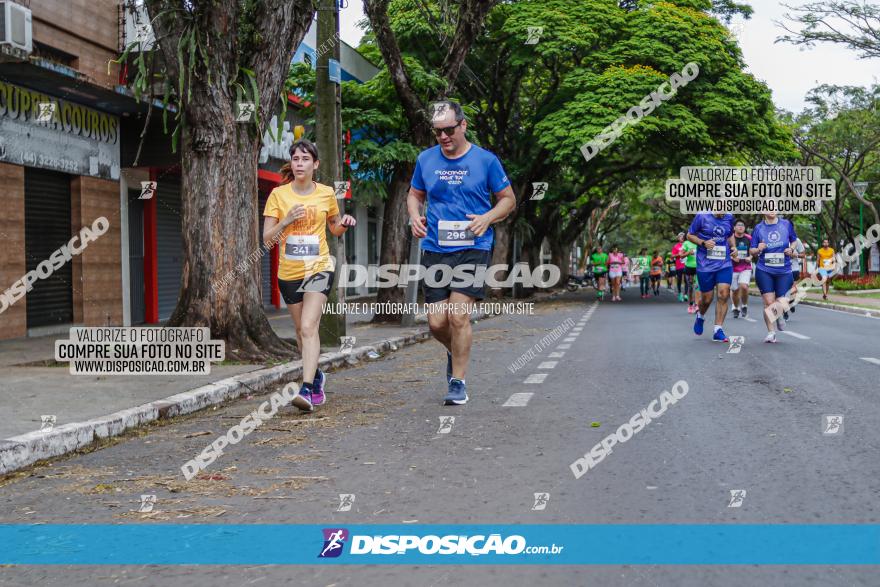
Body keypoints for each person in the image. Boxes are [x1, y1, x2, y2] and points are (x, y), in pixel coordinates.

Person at [408, 100, 516, 405]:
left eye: (449, 130)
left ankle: (458, 382)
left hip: (473, 246)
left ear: (463, 125)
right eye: (437, 131)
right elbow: (414, 195)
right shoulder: (425, 160)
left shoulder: (486, 160)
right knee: (436, 323)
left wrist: (488, 217)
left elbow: (508, 199)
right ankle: (454, 350)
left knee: (457, 316)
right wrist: (415, 216)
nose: (443, 136)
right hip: (435, 248)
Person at [262, 139, 357, 411]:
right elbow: (267, 239)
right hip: (289, 271)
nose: (299, 163)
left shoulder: (326, 193)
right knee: (301, 333)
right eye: (295, 158)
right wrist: (287, 220)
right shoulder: (278, 195)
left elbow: (335, 228)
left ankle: (306, 389)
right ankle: (316, 377)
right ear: (291, 164)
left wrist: (345, 223)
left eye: (305, 159)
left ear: (315, 164)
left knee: (308, 326)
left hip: (319, 267)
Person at [687, 212, 739, 342]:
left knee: (723, 294)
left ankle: (718, 329)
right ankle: (700, 315)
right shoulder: (702, 216)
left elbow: (730, 234)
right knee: (707, 299)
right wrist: (703, 242)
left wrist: (733, 247)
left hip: (724, 262)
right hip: (705, 264)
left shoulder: (729, 217)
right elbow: (689, 235)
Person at [750, 211, 798, 343]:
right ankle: (771, 332)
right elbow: (752, 250)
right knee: (768, 303)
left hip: (784, 269)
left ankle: (779, 315)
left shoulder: (786, 224)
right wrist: (758, 248)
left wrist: (791, 249)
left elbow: (793, 241)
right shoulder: (758, 228)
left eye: (774, 206)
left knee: (782, 301)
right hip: (764, 269)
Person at [730, 220, 752, 319]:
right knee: (735, 290)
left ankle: (744, 305)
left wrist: (750, 257)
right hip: (732, 268)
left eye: (742, 225)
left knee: (744, 286)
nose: (740, 227)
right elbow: (724, 252)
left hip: (745, 267)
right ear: (734, 227)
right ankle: (735, 307)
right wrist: (732, 258)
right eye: (738, 225)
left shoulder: (748, 238)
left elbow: (753, 250)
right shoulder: (730, 239)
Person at [785, 235, 805, 320]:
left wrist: (796, 255)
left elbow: (803, 255)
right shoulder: (779, 240)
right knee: (783, 292)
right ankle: (785, 312)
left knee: (793, 291)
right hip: (782, 269)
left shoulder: (797, 240)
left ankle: (791, 302)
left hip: (794, 268)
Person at [681, 235, 698, 313]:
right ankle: (690, 305)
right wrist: (688, 252)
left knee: (698, 287)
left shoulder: (700, 242)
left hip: (699, 267)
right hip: (689, 267)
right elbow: (681, 255)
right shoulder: (686, 243)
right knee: (690, 287)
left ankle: (697, 304)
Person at [671, 233, 686, 301]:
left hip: (687, 265)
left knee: (687, 280)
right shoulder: (676, 246)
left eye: (683, 236)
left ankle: (685, 294)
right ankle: (680, 293)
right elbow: (672, 256)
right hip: (679, 265)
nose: (682, 238)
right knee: (679, 280)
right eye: (680, 237)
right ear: (678, 238)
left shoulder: (687, 245)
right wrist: (678, 254)